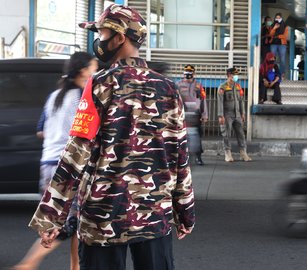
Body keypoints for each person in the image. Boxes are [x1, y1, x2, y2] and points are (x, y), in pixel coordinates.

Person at [28, 5, 195, 270]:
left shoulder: (99, 84)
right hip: (153, 217)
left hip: (102, 218)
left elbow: (75, 155)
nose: (99, 40)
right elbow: (180, 156)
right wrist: (184, 212)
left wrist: (51, 217)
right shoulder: (168, 88)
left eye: (103, 33)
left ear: (120, 37)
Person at [12, 52, 98, 270]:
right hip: (69, 166)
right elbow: (88, 133)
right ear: (83, 71)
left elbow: (41, 131)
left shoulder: (55, 96)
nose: (96, 71)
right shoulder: (83, 96)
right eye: (94, 67)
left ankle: (75, 267)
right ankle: (29, 263)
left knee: (72, 222)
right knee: (69, 224)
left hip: (48, 164)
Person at [218, 67, 251, 162]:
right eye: (234, 75)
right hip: (227, 114)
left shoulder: (238, 87)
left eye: (236, 75)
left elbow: (241, 101)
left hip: (237, 114)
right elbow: (220, 103)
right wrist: (221, 116)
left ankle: (243, 152)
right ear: (229, 75)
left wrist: (243, 113)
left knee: (241, 133)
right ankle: (227, 153)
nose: (236, 76)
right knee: (226, 134)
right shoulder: (222, 87)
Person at [177, 64, 208, 165]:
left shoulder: (199, 86)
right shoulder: (178, 85)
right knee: (181, 137)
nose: (188, 74)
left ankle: (198, 157)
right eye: (187, 72)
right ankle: (182, 158)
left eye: (190, 72)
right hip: (182, 116)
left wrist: (204, 115)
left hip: (196, 116)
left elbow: (203, 100)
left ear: (194, 73)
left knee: (198, 136)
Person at [269, 13, 289, 78]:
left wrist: (278, 36)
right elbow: (271, 34)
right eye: (276, 18)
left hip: (282, 44)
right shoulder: (272, 25)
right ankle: (273, 72)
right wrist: (274, 28)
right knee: (272, 58)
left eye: (279, 18)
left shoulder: (285, 25)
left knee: (282, 59)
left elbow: (285, 36)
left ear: (281, 18)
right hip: (273, 44)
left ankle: (282, 73)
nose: (277, 19)